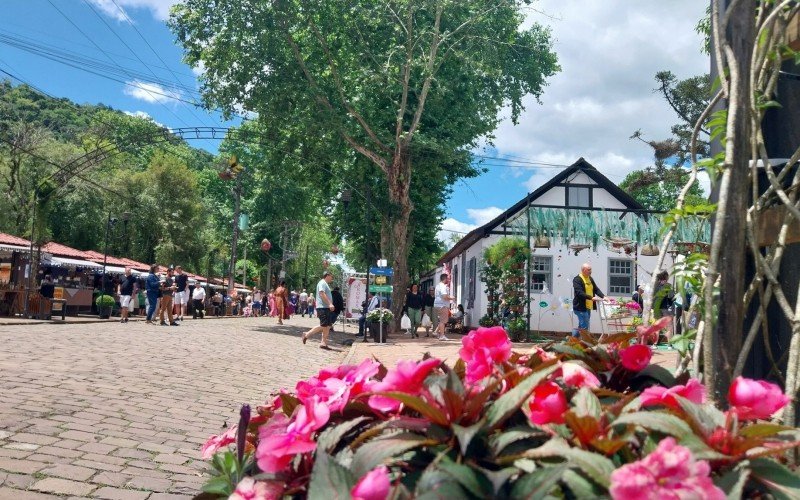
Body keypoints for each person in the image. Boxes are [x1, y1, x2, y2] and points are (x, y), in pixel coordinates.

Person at [301, 272, 336, 349]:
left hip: (326, 307)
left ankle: (323, 343)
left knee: (328, 326)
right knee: (324, 325)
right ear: (327, 276)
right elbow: (321, 294)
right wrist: (330, 303)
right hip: (322, 307)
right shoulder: (322, 283)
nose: (332, 278)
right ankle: (306, 334)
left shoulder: (325, 283)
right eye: (331, 276)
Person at [571, 263, 606, 337]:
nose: (590, 271)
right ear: (583, 270)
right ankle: (584, 344)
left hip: (588, 306)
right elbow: (579, 293)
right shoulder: (577, 279)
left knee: (582, 325)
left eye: (591, 269)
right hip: (580, 307)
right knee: (584, 326)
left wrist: (603, 296)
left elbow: (596, 289)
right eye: (589, 270)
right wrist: (591, 298)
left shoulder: (590, 278)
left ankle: (572, 340)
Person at [434, 274, 454, 341]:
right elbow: (444, 296)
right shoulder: (443, 286)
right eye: (448, 279)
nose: (448, 280)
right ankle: (442, 335)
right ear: (445, 279)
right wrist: (452, 298)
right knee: (443, 321)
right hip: (442, 305)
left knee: (442, 320)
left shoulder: (438, 286)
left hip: (437, 304)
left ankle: (436, 332)